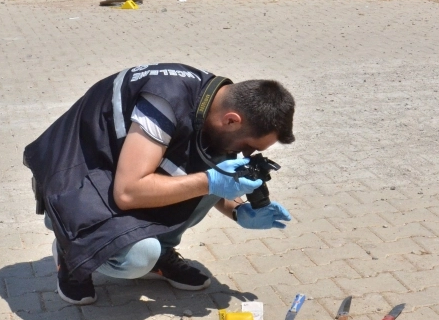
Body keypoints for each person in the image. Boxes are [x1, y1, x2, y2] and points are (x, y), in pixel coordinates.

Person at [23, 63, 295, 305]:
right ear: (232, 120)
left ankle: (161, 253)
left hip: (115, 172)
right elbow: (128, 193)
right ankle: (72, 251)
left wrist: (238, 210)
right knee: (140, 255)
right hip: (74, 179)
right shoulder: (164, 100)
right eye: (248, 146)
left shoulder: (214, 104)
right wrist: (210, 181)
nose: (247, 154)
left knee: (217, 165)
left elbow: (210, 177)